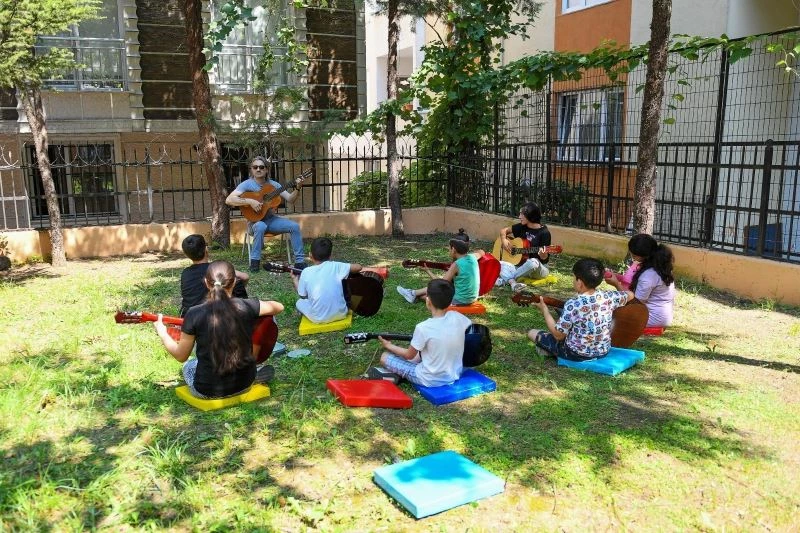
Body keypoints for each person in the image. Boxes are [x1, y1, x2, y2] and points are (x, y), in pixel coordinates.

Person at [154, 260, 284, 399]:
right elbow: (279, 307)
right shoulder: (246, 306)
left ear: (206, 282)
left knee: (189, 364)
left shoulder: (194, 313)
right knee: (268, 317)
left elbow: (181, 356)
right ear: (234, 282)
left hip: (207, 391)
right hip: (246, 384)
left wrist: (163, 333)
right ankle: (254, 369)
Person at [528, 258, 634, 361]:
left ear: (580, 282)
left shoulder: (573, 304)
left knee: (532, 332)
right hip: (603, 351)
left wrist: (545, 310)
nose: (573, 280)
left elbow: (558, 335)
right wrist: (617, 284)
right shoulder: (609, 297)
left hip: (576, 354)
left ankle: (549, 352)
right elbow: (630, 295)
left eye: (574, 277)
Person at [379, 279, 472, 387]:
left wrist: (388, 346)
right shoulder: (458, 317)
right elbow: (470, 329)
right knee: (418, 355)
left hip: (428, 379)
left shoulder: (423, 327)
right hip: (453, 373)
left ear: (428, 301)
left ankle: (397, 375)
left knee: (384, 357)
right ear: (450, 301)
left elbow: (408, 355)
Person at [225, 156, 306, 273]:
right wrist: (250, 201)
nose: (258, 169)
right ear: (251, 170)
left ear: (267, 169)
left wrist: (298, 187)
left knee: (294, 226)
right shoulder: (246, 184)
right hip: (254, 223)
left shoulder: (274, 185)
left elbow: (290, 199)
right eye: (255, 167)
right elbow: (229, 200)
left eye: (261, 167)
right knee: (260, 226)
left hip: (271, 220)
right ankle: (254, 262)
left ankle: (300, 262)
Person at [606, 234, 676, 328]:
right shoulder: (660, 266)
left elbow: (635, 304)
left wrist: (616, 284)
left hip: (652, 318)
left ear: (640, 255)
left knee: (606, 317)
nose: (631, 255)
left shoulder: (648, 275)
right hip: (663, 316)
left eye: (633, 254)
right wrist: (616, 277)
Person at [397, 229, 479, 306]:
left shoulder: (456, 265)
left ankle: (414, 294)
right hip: (472, 298)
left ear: (453, 249)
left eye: (449, 249)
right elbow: (481, 252)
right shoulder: (473, 257)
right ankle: (412, 293)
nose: (449, 251)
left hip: (461, 300)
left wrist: (428, 271)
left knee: (433, 294)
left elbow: (441, 284)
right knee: (439, 291)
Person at [292, 237, 362, 323]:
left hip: (318, 319)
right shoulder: (336, 266)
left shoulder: (306, 272)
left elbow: (302, 295)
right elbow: (359, 267)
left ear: (310, 255)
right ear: (330, 255)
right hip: (342, 314)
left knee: (299, 302)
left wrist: (295, 280)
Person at [179, 234, 250, 317]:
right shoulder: (218, 268)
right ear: (206, 249)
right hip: (216, 318)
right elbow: (245, 277)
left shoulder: (185, 273)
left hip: (189, 317)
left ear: (186, 254)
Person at [497, 202, 552, 291]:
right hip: (521, 266)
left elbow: (544, 259)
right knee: (498, 263)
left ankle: (506, 280)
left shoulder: (544, 233)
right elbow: (504, 230)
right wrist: (504, 240)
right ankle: (512, 282)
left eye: (522, 214)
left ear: (530, 216)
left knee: (533, 261)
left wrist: (543, 254)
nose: (519, 217)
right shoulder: (522, 227)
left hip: (538, 268)